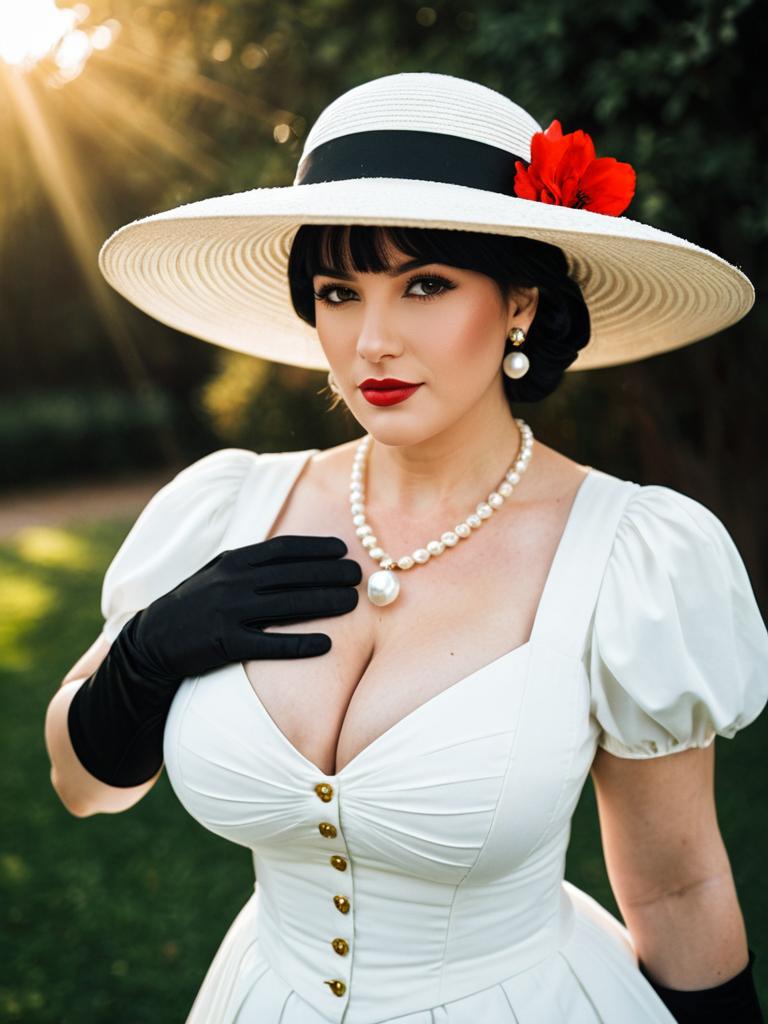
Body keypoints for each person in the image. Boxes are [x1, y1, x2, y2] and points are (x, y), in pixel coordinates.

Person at [44, 72, 768, 1023]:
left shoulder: (629, 555)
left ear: (518, 302)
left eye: (425, 284)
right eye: (340, 292)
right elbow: (83, 786)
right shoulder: (226, 508)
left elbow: (678, 891)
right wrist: (145, 658)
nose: (372, 341)